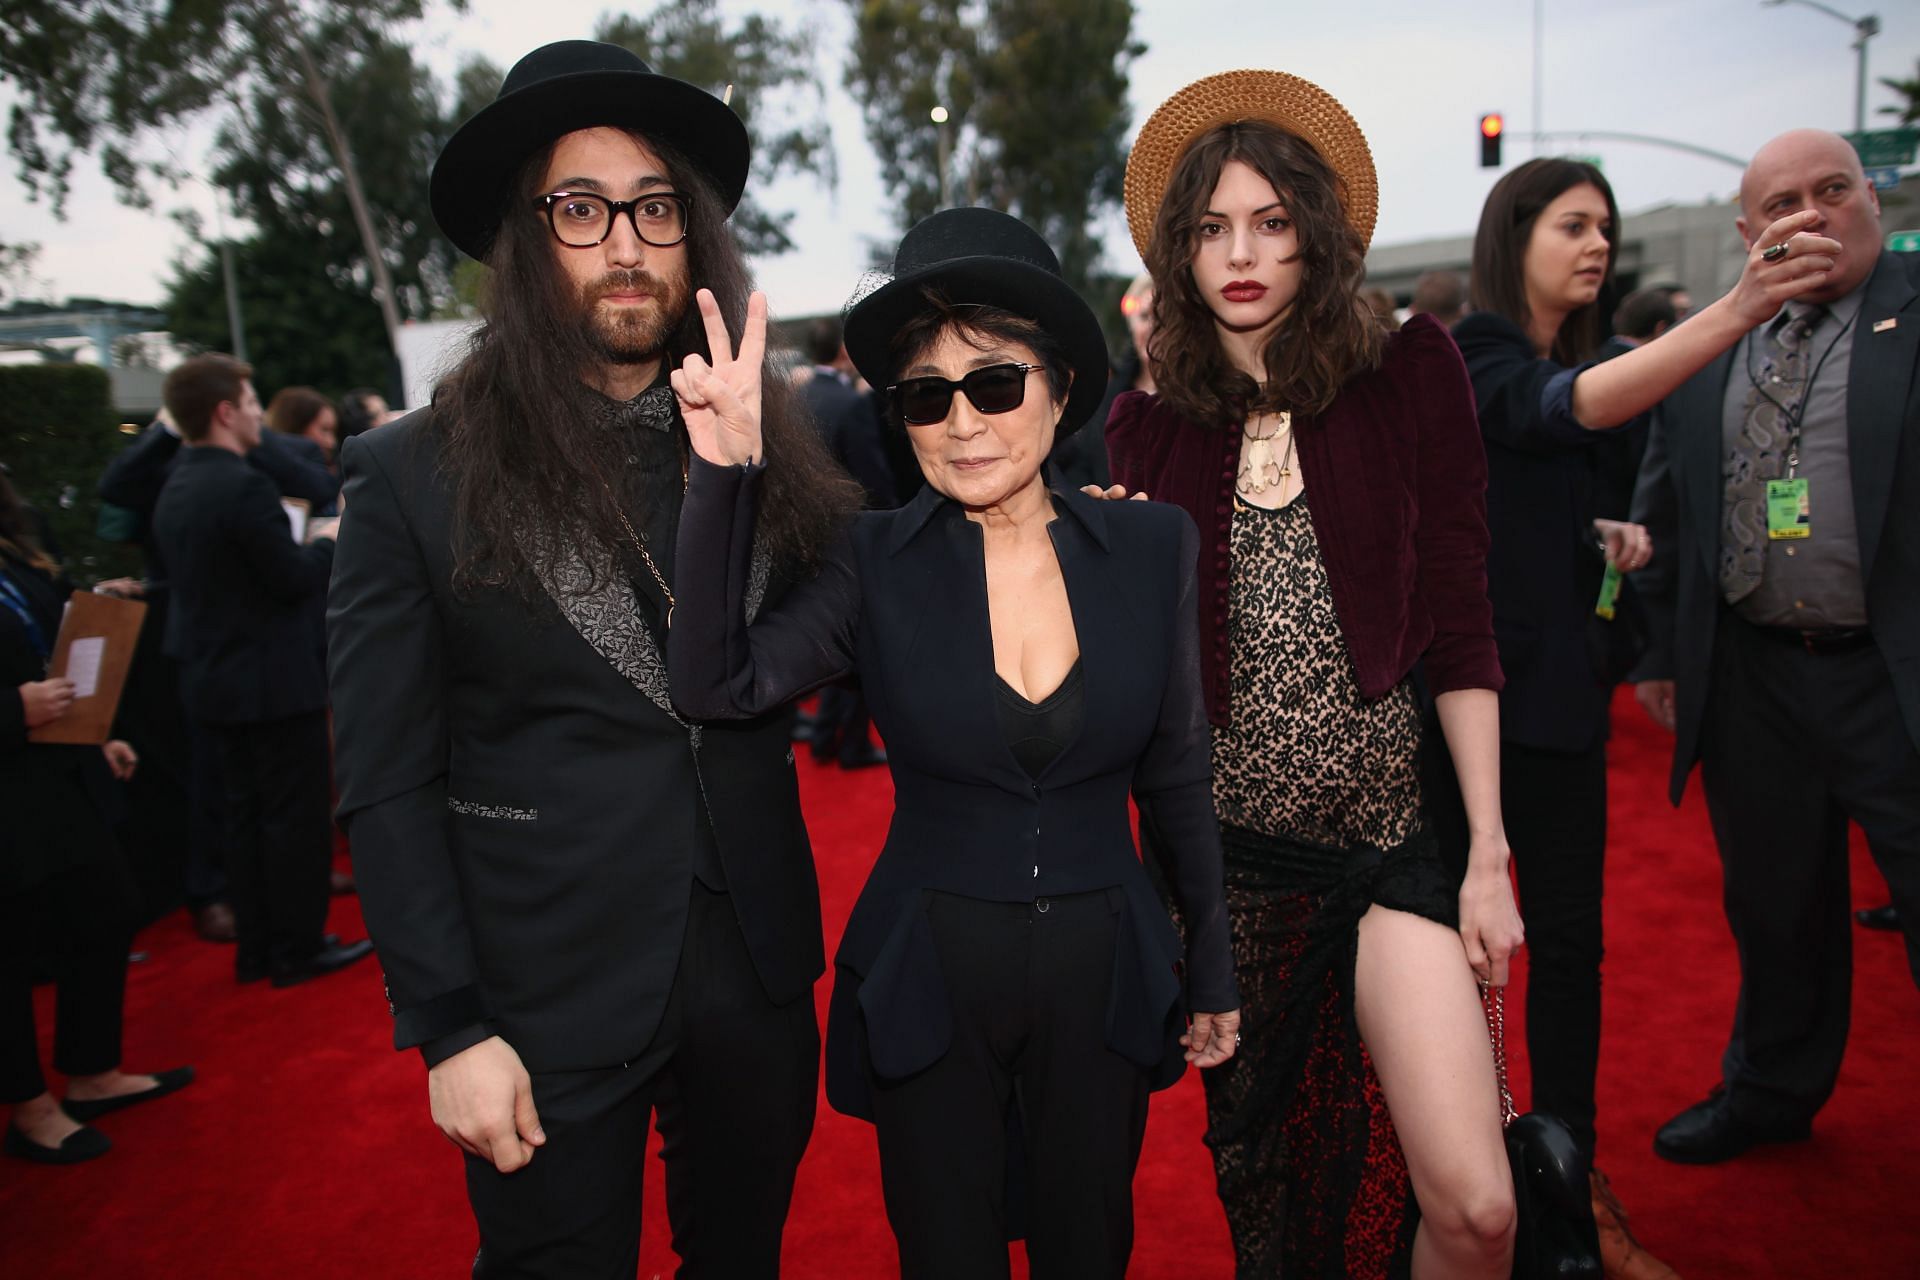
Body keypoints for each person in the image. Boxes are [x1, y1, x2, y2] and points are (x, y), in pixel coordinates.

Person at [326, 40, 855, 1278]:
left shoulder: (762, 433)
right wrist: (448, 1025)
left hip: (755, 967)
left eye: (655, 207)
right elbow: (387, 777)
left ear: (693, 237)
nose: (625, 243)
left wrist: (1066, 522)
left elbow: (885, 575)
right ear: (525, 238)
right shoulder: (410, 474)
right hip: (543, 989)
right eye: (581, 208)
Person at [667, 206, 1240, 1276]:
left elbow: (1176, 768)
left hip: (1103, 977)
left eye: (996, 382)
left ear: (1061, 388)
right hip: (928, 977)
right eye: (927, 395)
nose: (964, 422)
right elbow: (716, 679)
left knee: (1090, 1248)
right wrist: (723, 472)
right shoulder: (870, 561)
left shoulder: (1150, 542)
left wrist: (1208, 960)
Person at [1106, 71, 1521, 1278]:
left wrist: (1487, 848)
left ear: (1317, 235)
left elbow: (1459, 608)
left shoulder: (1408, 370)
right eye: (1211, 227)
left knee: (1478, 1206)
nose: (1241, 253)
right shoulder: (1147, 426)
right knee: (1287, 1213)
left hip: (1391, 847)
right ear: (1180, 254)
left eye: (1272, 222)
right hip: (1232, 884)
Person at [1446, 153, 1828, 1278]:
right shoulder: (1473, 351)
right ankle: (1473, 1181)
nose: (1597, 244)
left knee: (1571, 949)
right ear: (1512, 236)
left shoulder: (1570, 356)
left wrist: (1596, 548)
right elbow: (1565, 409)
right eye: (1572, 224)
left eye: (1606, 226)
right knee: (1463, 952)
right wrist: (1740, 304)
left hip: (1561, 702)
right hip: (1464, 711)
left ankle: (1570, 1191)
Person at [1630, 128, 1920, 1166]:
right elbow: (1662, 503)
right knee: (1775, 902)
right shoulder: (1712, 342)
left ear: (1872, 202)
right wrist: (1658, 645)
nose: (1810, 215)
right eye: (1784, 204)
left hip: (1891, 672)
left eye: (1832, 190)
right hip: (1753, 673)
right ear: (1750, 233)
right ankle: (1771, 1088)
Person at [151, 354, 368, 989]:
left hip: (214, 680)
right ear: (224, 412)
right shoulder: (239, 486)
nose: (257, 416)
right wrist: (333, 538)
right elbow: (291, 579)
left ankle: (258, 948)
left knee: (242, 820)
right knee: (292, 819)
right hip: (271, 682)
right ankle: (297, 946)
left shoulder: (179, 482)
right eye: (249, 404)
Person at [2, 471, 192, 1165]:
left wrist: (88, 730)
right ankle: (29, 1108)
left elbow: (43, 645)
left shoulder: (14, 556)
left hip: (53, 773)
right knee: (11, 951)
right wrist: (14, 711)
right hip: (14, 784)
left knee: (107, 908)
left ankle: (90, 1071)